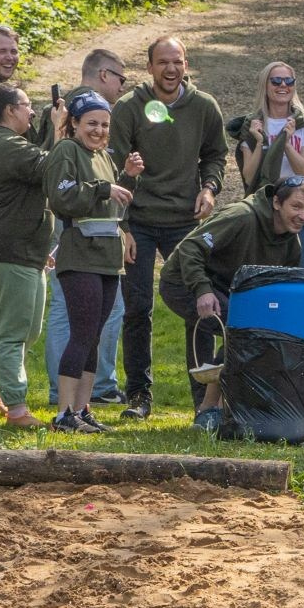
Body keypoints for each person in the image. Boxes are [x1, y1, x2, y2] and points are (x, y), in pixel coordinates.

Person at [108, 36, 226, 420]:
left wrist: (209, 189)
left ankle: (204, 400)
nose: (171, 69)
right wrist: (122, 226)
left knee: (201, 305)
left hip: (184, 222)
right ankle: (139, 395)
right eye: (163, 62)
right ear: (150, 67)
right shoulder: (128, 108)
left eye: (177, 62)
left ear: (186, 64)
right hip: (139, 220)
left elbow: (215, 155)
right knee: (137, 309)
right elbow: (113, 169)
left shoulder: (204, 106)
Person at [162, 178, 304, 433]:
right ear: (277, 203)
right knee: (242, 330)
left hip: (227, 287)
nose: (302, 215)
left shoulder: (292, 244)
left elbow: (276, 293)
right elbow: (191, 248)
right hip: (182, 280)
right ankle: (209, 409)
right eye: (296, 207)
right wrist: (202, 289)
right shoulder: (241, 216)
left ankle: (232, 408)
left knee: (260, 329)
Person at [43, 49, 133, 406]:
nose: (98, 130)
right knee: (80, 333)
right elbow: (62, 197)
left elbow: (112, 202)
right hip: (78, 255)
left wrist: (128, 180)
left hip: (108, 258)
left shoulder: (105, 158)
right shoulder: (66, 150)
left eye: (104, 124)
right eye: (91, 123)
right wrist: (102, 189)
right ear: (75, 124)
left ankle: (83, 409)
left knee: (95, 335)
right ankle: (64, 409)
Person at [0, 84, 53, 429]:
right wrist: (62, 131)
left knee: (27, 330)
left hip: (29, 252)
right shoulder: (5, 144)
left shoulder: (10, 143)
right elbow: (52, 168)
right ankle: (18, 409)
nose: (32, 112)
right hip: (13, 251)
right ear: (9, 110)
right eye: (27, 106)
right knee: (11, 332)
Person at [235, 61, 304, 261]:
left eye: (289, 81)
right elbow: (249, 176)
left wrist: (286, 143)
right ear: (265, 85)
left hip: (300, 211)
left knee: (298, 275)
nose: (283, 85)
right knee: (261, 273)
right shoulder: (253, 124)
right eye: (276, 81)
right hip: (263, 210)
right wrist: (258, 142)